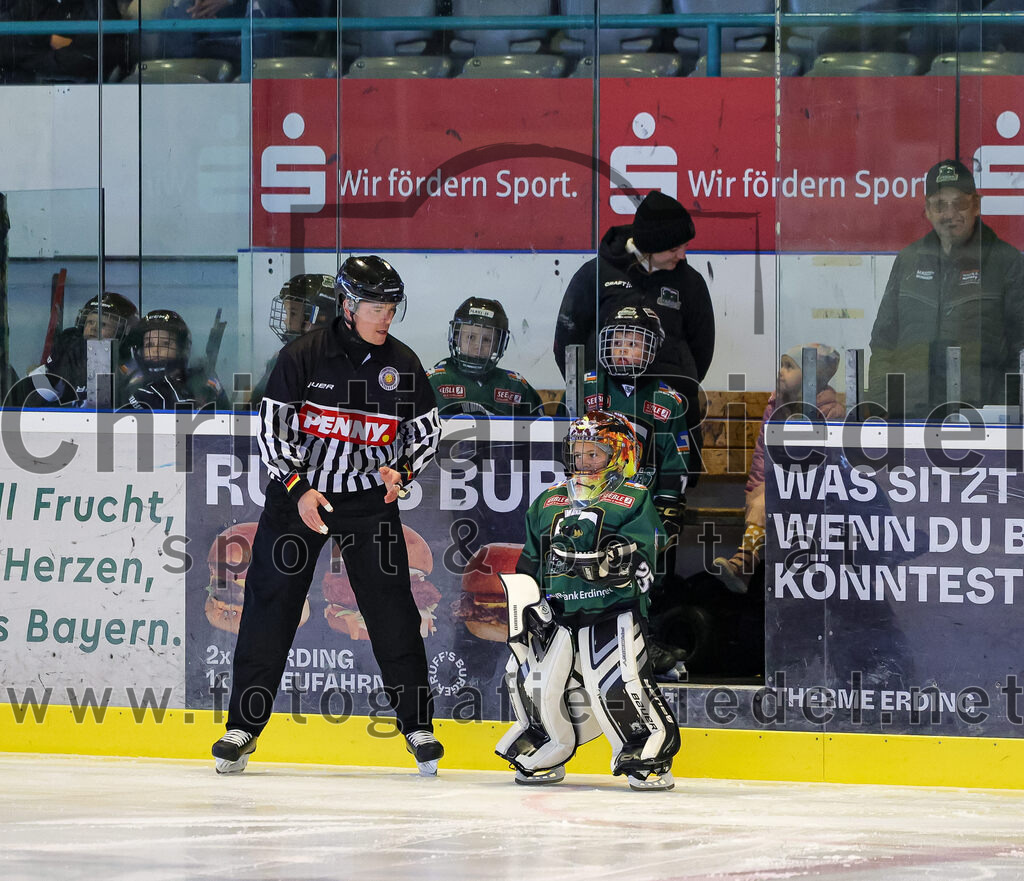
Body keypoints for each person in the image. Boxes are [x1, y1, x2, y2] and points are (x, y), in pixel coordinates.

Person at [211, 255, 444, 776]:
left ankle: (418, 726)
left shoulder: (403, 365)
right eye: (374, 305)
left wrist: (401, 471)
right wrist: (299, 489)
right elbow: (273, 431)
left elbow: (426, 431)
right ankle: (242, 729)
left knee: (392, 611)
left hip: (366, 504)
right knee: (271, 604)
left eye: (391, 306)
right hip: (301, 500)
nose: (385, 315)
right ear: (347, 305)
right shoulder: (303, 356)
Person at [497, 408, 680, 791]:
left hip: (611, 609)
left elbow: (650, 546)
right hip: (558, 610)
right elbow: (530, 559)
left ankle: (647, 751)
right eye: (578, 452)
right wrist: (526, 605)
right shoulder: (547, 501)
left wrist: (616, 557)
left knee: (616, 682)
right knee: (527, 678)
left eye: (594, 452)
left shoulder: (632, 499)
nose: (583, 460)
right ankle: (547, 744)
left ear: (621, 455)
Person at [554, 189, 715, 480]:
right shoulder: (595, 275)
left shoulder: (690, 283)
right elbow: (567, 342)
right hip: (599, 417)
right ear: (651, 245)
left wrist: (675, 383)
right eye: (675, 248)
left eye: (685, 246)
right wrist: (594, 388)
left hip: (668, 419)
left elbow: (702, 349)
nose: (683, 254)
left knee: (670, 500)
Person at [582, 298, 690, 677]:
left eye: (634, 342)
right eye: (619, 340)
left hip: (640, 508)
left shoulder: (667, 400)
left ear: (652, 348)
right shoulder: (587, 389)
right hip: (589, 502)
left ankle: (643, 639)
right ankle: (590, 644)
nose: (624, 350)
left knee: (650, 573)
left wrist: (670, 509)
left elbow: (676, 462)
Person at [868, 158, 1024, 419]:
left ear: (975, 205)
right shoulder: (908, 260)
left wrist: (1005, 414)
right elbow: (883, 343)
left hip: (981, 421)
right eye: (940, 205)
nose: (950, 214)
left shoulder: (1006, 262)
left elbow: (1021, 351)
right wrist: (879, 409)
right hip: (909, 418)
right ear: (927, 210)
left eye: (959, 203)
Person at [713, 343, 845, 594]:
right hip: (774, 488)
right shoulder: (775, 408)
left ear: (812, 376)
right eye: (781, 365)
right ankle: (745, 562)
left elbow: (831, 462)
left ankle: (746, 563)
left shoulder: (830, 411)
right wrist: (755, 489)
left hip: (812, 492)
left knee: (766, 502)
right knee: (762, 501)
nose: (781, 372)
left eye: (789, 366)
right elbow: (763, 455)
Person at [426, 297, 543, 417]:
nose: (478, 345)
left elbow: (541, 430)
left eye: (487, 340)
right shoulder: (435, 381)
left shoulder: (516, 387)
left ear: (499, 344)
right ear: (457, 338)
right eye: (470, 337)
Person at [19, 291, 139, 408]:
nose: (93, 329)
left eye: (103, 325)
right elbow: (30, 394)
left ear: (126, 331)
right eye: (90, 322)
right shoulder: (71, 349)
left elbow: (102, 408)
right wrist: (54, 371)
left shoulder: (132, 366)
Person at [250, 272, 338, 407]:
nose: (286, 321)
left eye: (293, 313)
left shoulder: (342, 363)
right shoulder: (283, 358)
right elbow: (254, 406)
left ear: (319, 317)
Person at [120, 309, 229, 410]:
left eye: (165, 344)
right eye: (149, 345)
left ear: (180, 348)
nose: (156, 350)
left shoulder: (201, 382)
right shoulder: (134, 385)